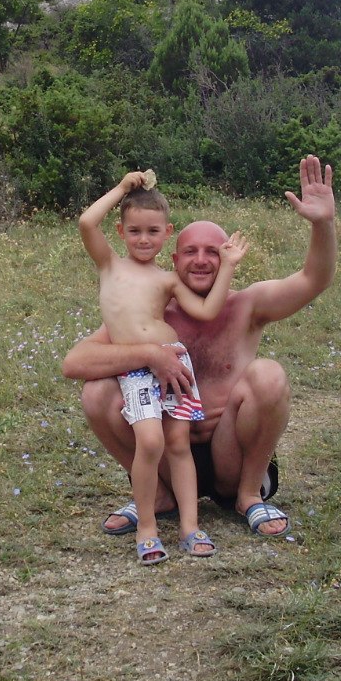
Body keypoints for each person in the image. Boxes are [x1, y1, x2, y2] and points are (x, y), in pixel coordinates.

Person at [63, 155, 337, 540]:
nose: (202, 260)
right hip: (168, 452)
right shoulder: (153, 315)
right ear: (174, 259)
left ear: (227, 256)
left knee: (269, 375)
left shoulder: (247, 305)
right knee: (96, 393)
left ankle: (248, 495)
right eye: (191, 251)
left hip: (230, 455)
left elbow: (314, 279)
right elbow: (75, 362)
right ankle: (158, 496)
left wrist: (323, 223)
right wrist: (150, 354)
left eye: (213, 251)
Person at [79, 170, 248, 564]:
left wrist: (227, 266)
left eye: (153, 231)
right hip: (139, 370)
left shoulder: (168, 279)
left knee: (177, 445)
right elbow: (87, 222)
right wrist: (122, 188)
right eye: (134, 231)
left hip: (175, 363)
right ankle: (147, 527)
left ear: (167, 233)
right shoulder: (109, 265)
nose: (143, 239)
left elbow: (206, 310)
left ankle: (190, 526)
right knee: (151, 442)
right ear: (120, 231)